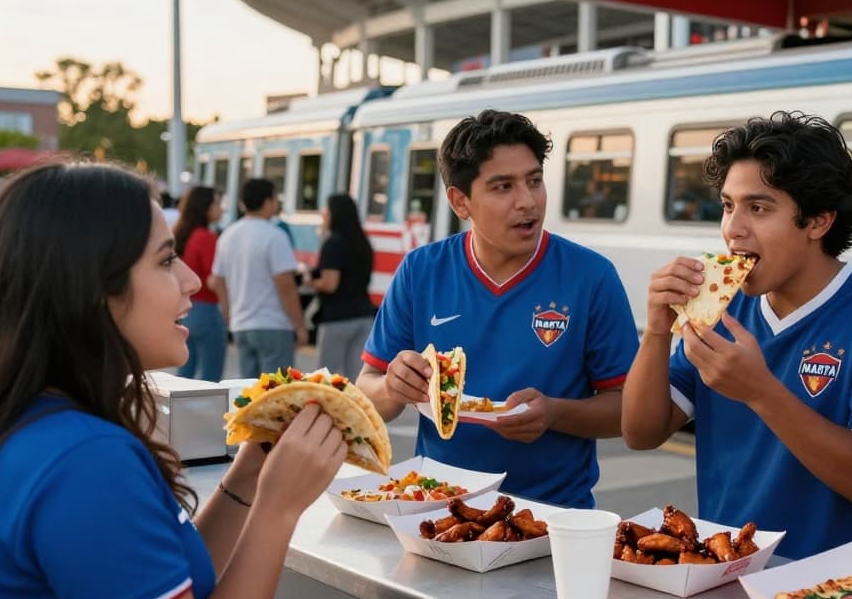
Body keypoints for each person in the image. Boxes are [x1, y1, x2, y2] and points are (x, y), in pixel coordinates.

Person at [0, 162, 346, 599]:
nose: (192, 280)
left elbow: (166, 586)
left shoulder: (44, 424)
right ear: (93, 291)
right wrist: (278, 508)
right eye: (164, 261)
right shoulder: (86, 461)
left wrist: (248, 477)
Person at [621, 112, 852, 559]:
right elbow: (641, 432)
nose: (733, 229)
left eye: (759, 208)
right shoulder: (723, 305)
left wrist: (760, 392)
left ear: (818, 222)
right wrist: (656, 328)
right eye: (728, 205)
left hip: (836, 590)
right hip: (724, 569)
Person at [356, 110, 638, 508]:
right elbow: (365, 393)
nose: (527, 201)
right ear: (460, 201)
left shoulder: (591, 276)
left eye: (534, 181)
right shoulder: (422, 271)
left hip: (552, 517)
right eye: (503, 186)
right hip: (439, 508)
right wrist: (391, 386)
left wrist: (553, 413)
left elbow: (630, 410)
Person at [211, 178, 308, 378]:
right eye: (275, 198)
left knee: (250, 391)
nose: (277, 203)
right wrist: (299, 325)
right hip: (273, 324)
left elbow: (218, 280)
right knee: (276, 393)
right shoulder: (275, 236)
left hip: (241, 325)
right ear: (267, 202)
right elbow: (285, 284)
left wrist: (229, 315)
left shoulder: (227, 235)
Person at [308, 194, 377, 377]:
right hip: (364, 317)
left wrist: (311, 282)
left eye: (326, 211)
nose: (324, 215)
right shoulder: (363, 242)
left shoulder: (333, 243)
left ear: (335, 214)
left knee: (325, 378)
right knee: (356, 378)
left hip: (337, 319)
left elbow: (330, 284)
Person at [174, 186, 227, 382]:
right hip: (207, 309)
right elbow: (214, 279)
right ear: (204, 207)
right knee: (211, 378)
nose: (221, 209)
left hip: (186, 309)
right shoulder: (206, 237)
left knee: (184, 374)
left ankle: (176, 413)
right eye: (216, 204)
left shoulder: (181, 235)